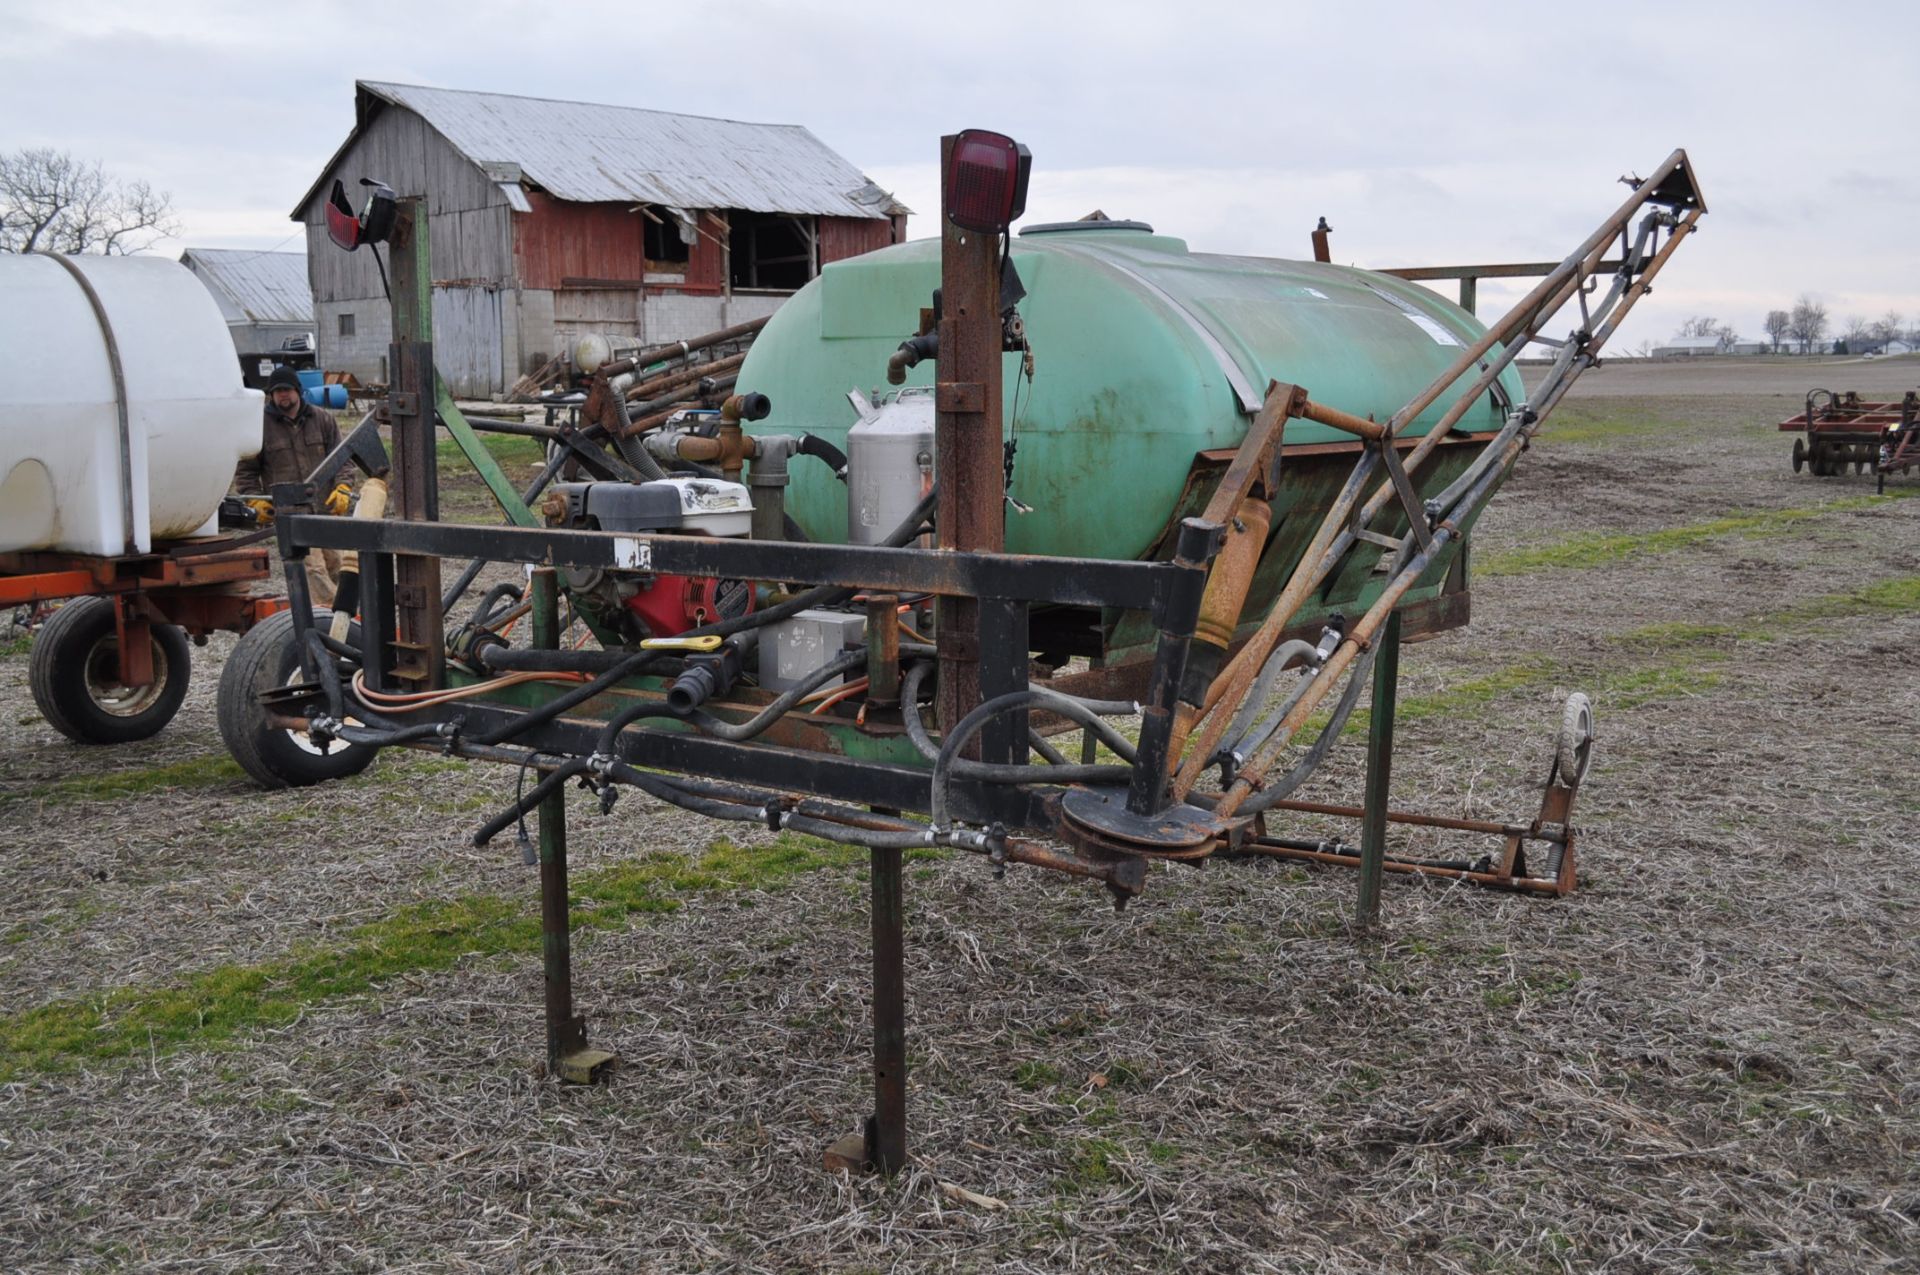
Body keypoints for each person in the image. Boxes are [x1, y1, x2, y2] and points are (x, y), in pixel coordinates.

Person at [233, 366, 354, 607]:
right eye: (277, 392)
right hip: (292, 519)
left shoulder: (323, 420)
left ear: (298, 391)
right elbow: (246, 473)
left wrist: (343, 488)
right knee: (314, 572)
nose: (282, 396)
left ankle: (354, 617)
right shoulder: (260, 427)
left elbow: (343, 460)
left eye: (286, 390)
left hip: (326, 512)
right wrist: (257, 500)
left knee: (342, 567)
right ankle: (334, 625)